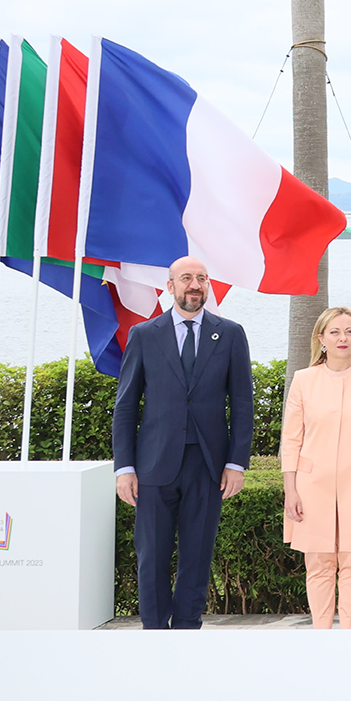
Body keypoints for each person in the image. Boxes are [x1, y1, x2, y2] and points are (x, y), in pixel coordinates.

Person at [111, 256, 254, 630]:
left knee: (197, 554)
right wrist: (124, 468)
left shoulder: (231, 334)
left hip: (208, 466)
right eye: (186, 278)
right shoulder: (145, 335)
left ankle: (187, 631)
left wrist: (236, 463)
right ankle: (155, 633)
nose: (195, 285)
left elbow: (242, 404)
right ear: (170, 286)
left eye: (202, 278)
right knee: (152, 555)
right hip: (154, 465)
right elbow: (126, 406)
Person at [280, 307, 351, 630]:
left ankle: (349, 634)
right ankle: (322, 636)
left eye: (350, 331)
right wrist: (290, 490)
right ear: (321, 339)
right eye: (335, 332)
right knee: (317, 565)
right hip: (310, 486)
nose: (343, 338)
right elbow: (290, 439)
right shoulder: (304, 381)